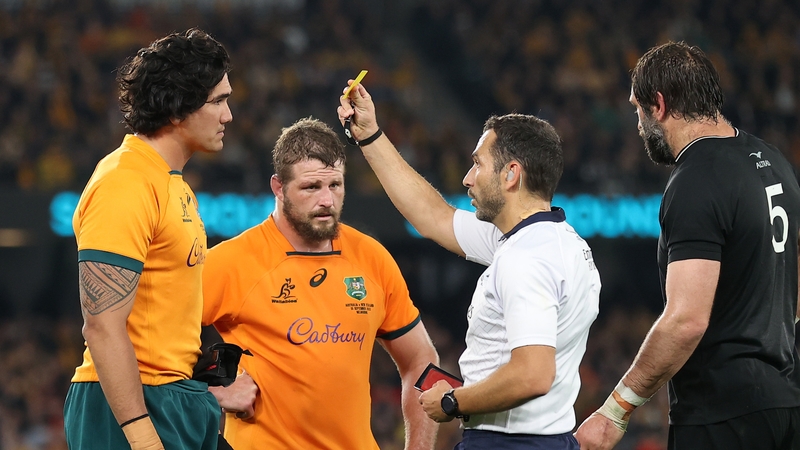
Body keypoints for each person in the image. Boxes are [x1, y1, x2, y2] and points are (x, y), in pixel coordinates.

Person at [337, 83, 601, 449]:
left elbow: (533, 375)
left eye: (478, 164)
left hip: (509, 444)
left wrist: (452, 401)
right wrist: (370, 136)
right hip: (547, 438)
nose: (467, 178)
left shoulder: (526, 259)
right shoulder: (555, 241)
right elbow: (434, 217)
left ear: (511, 174)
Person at [574, 41, 800, 450]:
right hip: (786, 406)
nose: (639, 124)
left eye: (637, 110)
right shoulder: (775, 162)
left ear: (658, 105)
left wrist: (614, 412)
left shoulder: (697, 178)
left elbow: (686, 320)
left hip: (723, 415)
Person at [201, 117, 440, 450]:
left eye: (335, 185)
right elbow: (149, 344)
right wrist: (209, 393)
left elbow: (421, 359)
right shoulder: (231, 261)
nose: (327, 200)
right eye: (311, 187)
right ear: (278, 188)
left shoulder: (371, 257)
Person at [64, 28, 233, 450]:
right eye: (219, 101)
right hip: (131, 407)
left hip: (172, 395)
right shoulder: (125, 182)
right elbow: (101, 325)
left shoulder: (172, 184)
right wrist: (141, 435)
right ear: (177, 108)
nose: (228, 115)